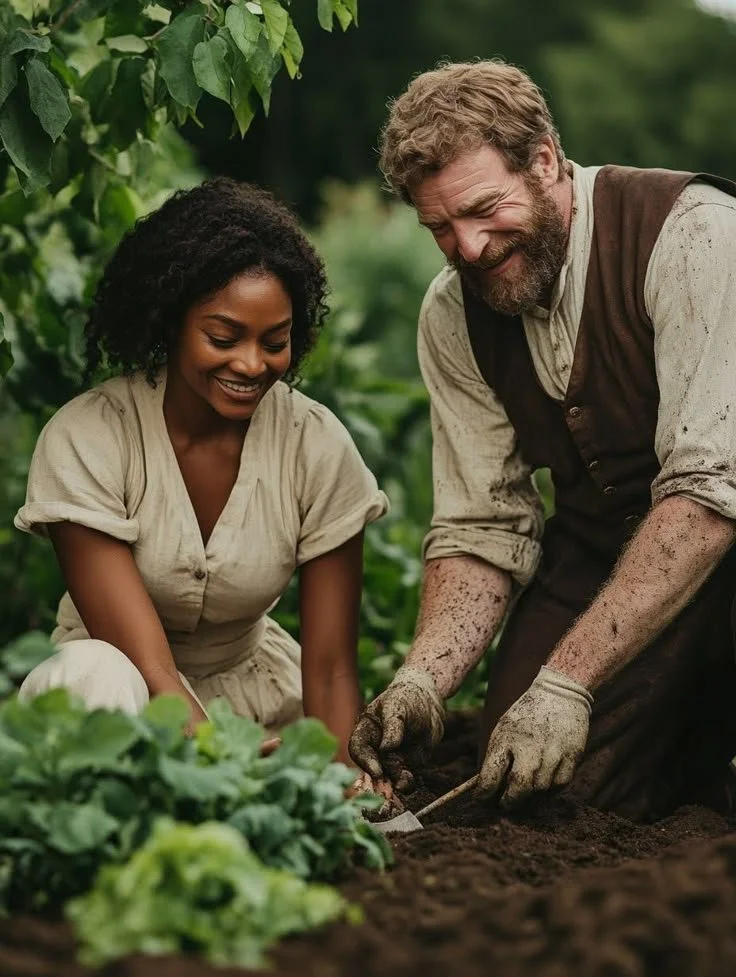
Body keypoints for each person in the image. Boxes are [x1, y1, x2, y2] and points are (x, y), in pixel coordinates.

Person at [349, 59, 736, 820]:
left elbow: (710, 490)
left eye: (483, 209)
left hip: (724, 530)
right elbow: (483, 525)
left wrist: (568, 680)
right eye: (440, 229)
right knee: (531, 785)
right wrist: (423, 678)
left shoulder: (693, 236)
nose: (468, 248)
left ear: (548, 160)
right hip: (603, 553)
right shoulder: (453, 314)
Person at [15, 177, 388, 767]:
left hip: (259, 703)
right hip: (120, 696)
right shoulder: (92, 435)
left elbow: (331, 668)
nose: (251, 364)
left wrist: (340, 773)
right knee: (96, 677)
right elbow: (147, 664)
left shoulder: (314, 445)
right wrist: (222, 762)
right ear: (170, 322)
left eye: (276, 342)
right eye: (223, 337)